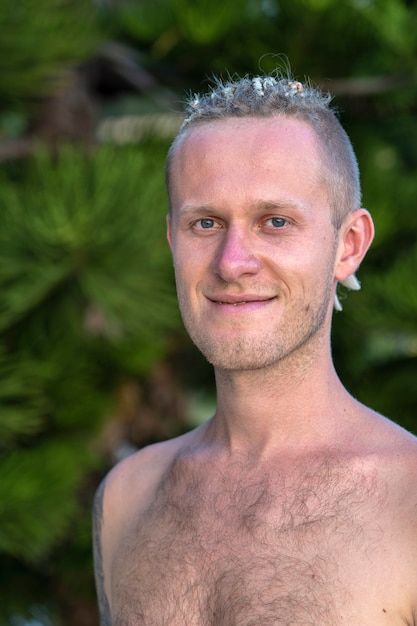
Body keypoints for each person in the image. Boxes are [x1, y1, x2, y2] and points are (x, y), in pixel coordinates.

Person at [93, 72, 417, 625]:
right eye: (206, 223)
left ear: (349, 246)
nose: (231, 261)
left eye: (275, 221)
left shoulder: (408, 503)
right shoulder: (127, 498)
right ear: (174, 239)